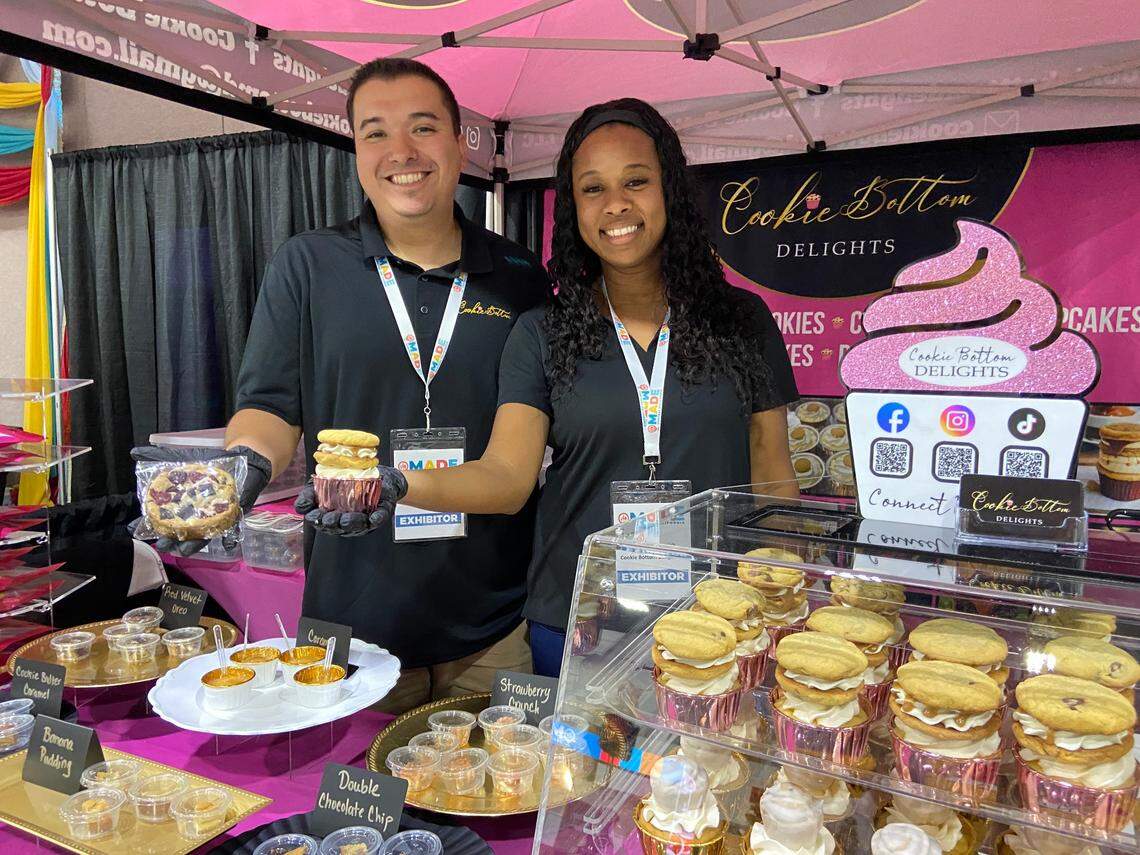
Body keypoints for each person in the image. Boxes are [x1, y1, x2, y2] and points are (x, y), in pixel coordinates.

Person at [133, 58, 550, 712]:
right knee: (355, 781)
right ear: (356, 149)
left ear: (459, 141)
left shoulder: (519, 275)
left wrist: (400, 482)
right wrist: (242, 469)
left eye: (422, 127)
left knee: (500, 775)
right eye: (375, 132)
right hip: (354, 624)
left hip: (491, 622)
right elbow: (269, 406)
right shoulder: (308, 264)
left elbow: (519, 455)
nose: (401, 152)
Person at [365, 98, 800, 676]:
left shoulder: (741, 321)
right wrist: (397, 483)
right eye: (593, 188)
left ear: (670, 190)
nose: (616, 204)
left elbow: (772, 477)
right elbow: (506, 477)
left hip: (718, 615)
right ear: (573, 208)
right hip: (580, 616)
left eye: (636, 181)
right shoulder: (543, 332)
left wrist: (782, 595)